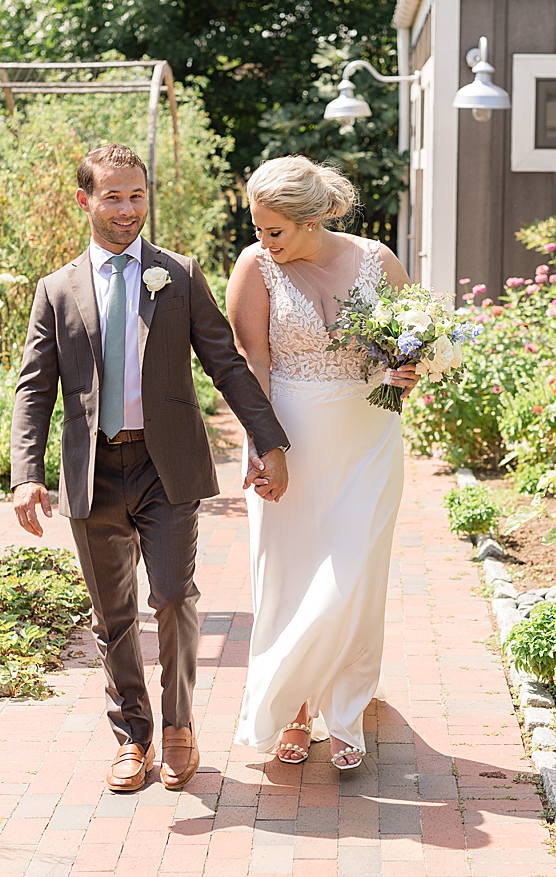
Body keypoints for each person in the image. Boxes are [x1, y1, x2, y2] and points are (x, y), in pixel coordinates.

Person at [10, 143, 291, 793]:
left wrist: (267, 439)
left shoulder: (178, 274)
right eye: (114, 196)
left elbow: (225, 362)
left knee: (171, 597)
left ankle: (180, 728)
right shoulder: (55, 292)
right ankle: (130, 737)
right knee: (112, 617)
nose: (129, 209)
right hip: (92, 472)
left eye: (137, 195)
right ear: (85, 201)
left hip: (165, 469)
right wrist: (28, 473)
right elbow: (34, 389)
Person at [226, 155, 418, 770]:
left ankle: (345, 709)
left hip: (368, 438)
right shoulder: (255, 269)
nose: (263, 241)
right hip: (292, 444)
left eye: (274, 230)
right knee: (288, 576)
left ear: (312, 221)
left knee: (355, 575)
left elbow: (406, 344)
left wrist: (407, 370)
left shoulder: (377, 261)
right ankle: (293, 711)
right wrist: (261, 445)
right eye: (257, 228)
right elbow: (252, 364)